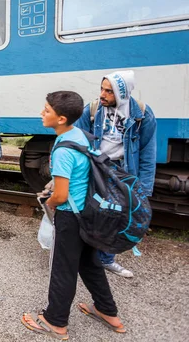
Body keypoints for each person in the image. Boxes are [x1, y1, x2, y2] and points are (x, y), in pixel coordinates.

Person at [22, 91, 125, 340]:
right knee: (90, 264)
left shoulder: (62, 150)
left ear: (61, 118)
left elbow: (61, 194)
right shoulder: (81, 136)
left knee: (63, 269)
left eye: (46, 110)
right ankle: (107, 311)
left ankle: (55, 321)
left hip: (70, 216)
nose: (41, 113)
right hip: (89, 213)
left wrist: (50, 201)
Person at [75, 70, 157, 278]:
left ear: (122, 94)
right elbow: (78, 141)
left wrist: (144, 190)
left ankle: (106, 260)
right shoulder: (92, 110)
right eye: (102, 89)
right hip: (97, 169)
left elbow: (148, 153)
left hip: (123, 173)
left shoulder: (142, 114)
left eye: (109, 91)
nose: (102, 94)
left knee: (114, 215)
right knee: (92, 211)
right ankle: (84, 257)